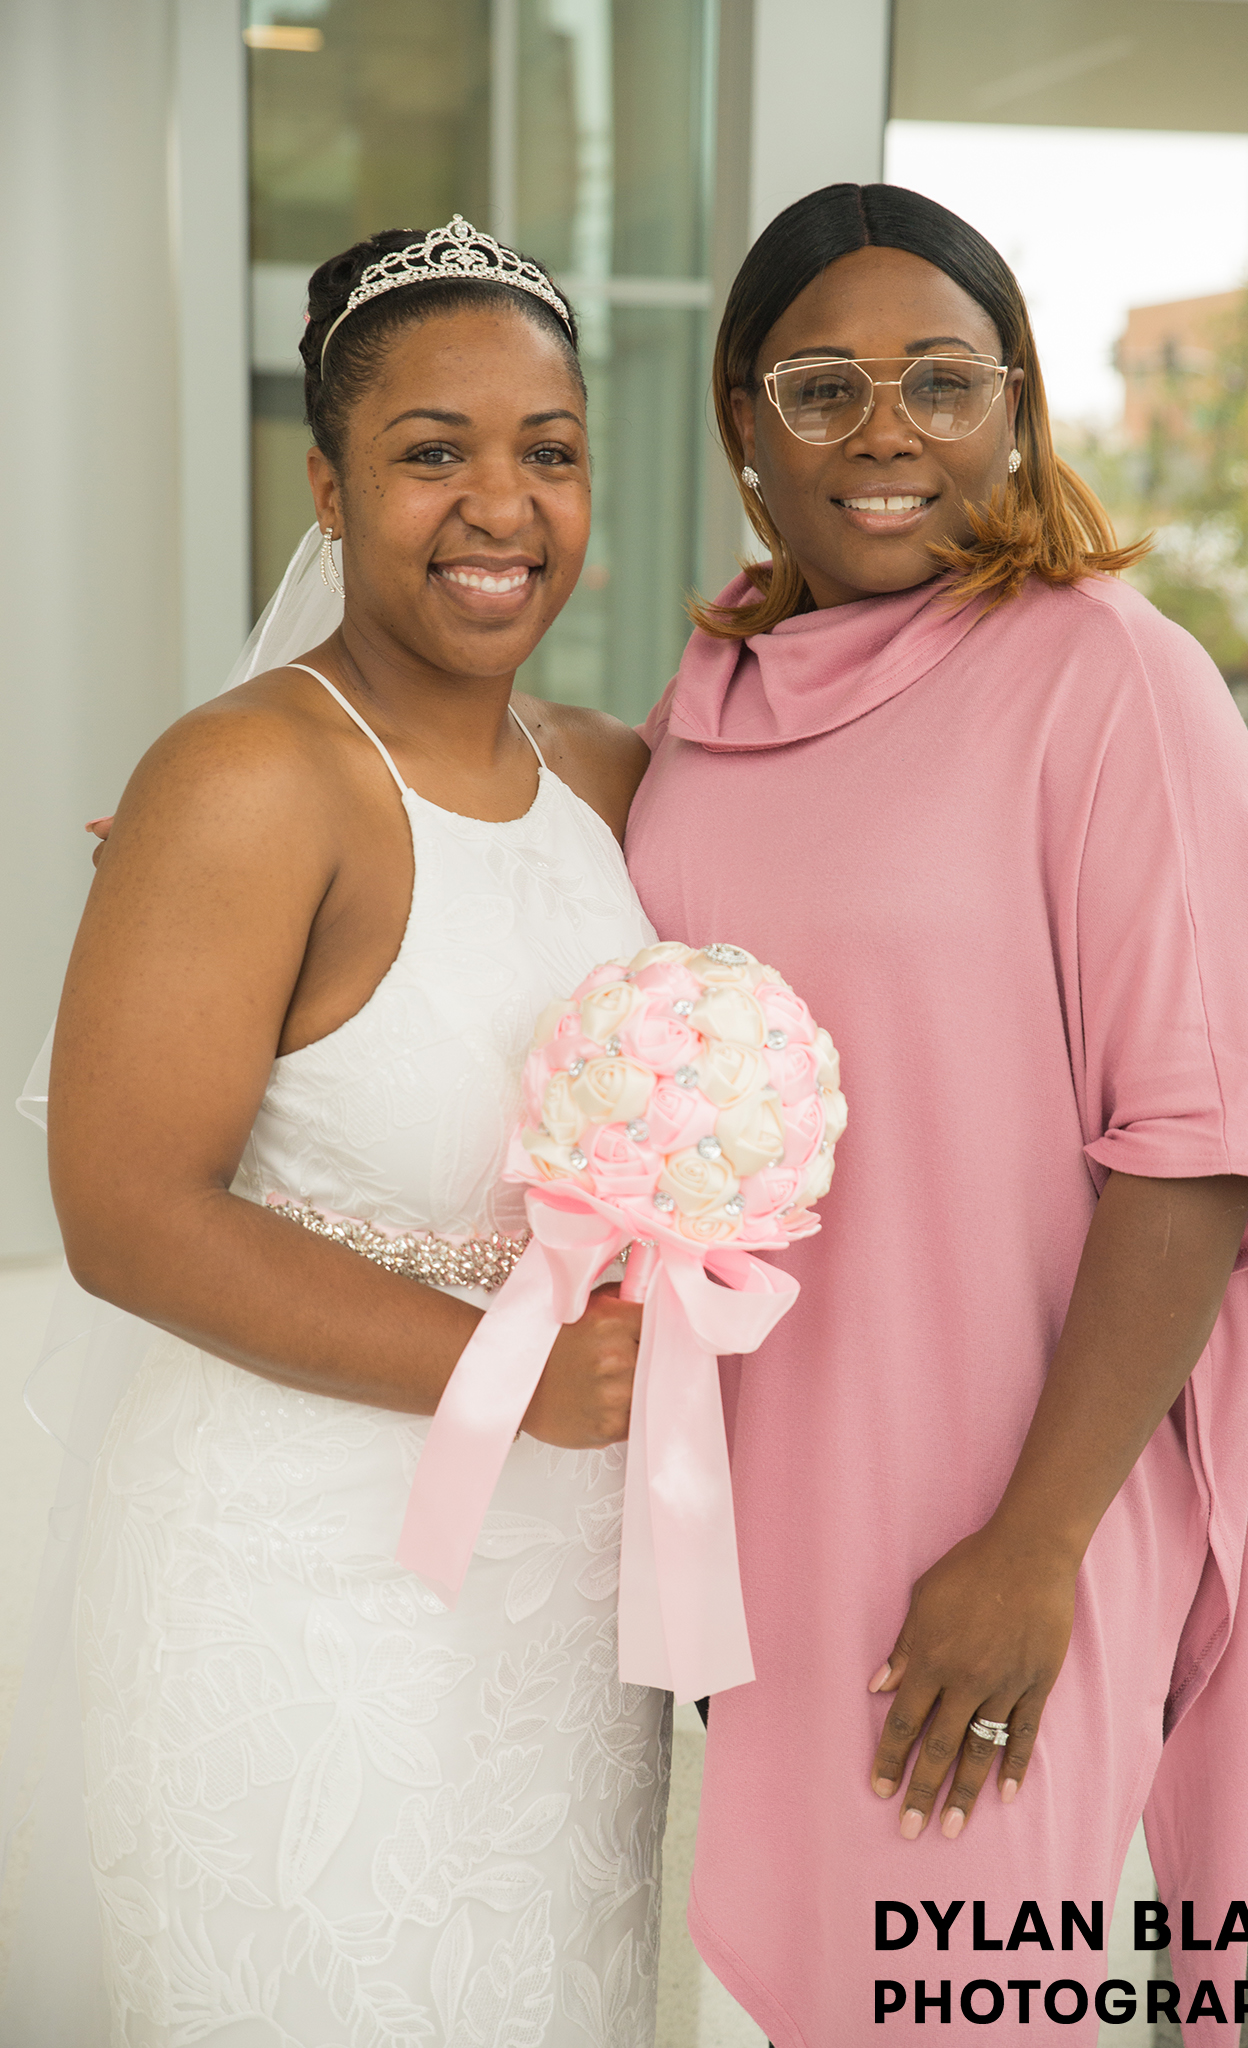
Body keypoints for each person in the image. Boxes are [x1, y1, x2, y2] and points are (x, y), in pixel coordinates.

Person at [625, 184, 1248, 2046]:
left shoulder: (1115, 684)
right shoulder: (712, 707)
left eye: (943, 381)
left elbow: (1199, 1145)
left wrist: (1032, 1551)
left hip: (1007, 1521)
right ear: (742, 424)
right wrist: (315, 809)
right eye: (823, 385)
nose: (887, 433)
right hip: (752, 1520)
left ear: (1015, 411)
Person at [1, 218, 669, 2046]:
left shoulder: (613, 779)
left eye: (549, 450)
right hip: (294, 1594)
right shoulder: (246, 776)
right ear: (327, 482)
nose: (500, 506)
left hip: (557, 1617)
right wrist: (507, 1374)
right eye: (431, 451)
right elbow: (127, 1213)